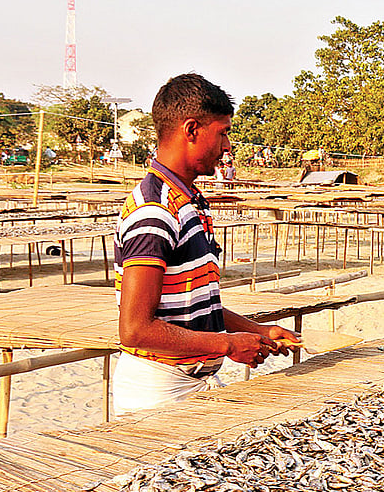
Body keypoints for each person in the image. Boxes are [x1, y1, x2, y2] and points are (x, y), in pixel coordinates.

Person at [113, 73, 299, 413]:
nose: (227, 146)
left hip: (190, 381)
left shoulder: (189, 201)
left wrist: (257, 330)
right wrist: (227, 344)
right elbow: (136, 330)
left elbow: (196, 306)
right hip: (159, 389)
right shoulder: (154, 211)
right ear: (191, 130)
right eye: (223, 132)